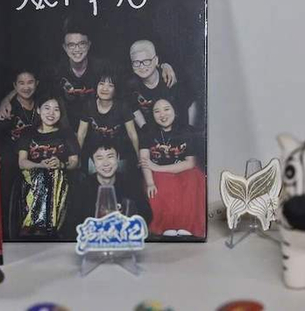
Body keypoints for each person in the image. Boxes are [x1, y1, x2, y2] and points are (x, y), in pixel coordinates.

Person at [0, 21, 177, 132]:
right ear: (64, 48)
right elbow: (32, 85)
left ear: (89, 45)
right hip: (66, 131)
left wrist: (162, 65)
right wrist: (7, 98)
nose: (77, 49)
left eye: (81, 44)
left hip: (98, 131)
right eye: (71, 45)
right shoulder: (56, 70)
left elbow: (136, 67)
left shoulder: (102, 66)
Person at [139, 98, 205, 237]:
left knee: (193, 176)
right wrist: (150, 183)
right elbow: (145, 161)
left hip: (181, 171)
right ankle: (167, 226)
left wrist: (157, 167)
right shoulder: (147, 132)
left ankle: (187, 226)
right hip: (158, 175)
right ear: (152, 114)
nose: (162, 114)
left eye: (167, 109)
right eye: (157, 111)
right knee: (163, 182)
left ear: (175, 111)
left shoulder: (186, 130)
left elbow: (190, 163)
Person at [16, 95, 80, 237]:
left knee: (53, 173)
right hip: (31, 177)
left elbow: (74, 162)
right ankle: (39, 226)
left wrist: (61, 164)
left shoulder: (66, 133)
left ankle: (41, 227)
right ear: (38, 110)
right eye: (47, 108)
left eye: (56, 109)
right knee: (42, 174)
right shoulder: (28, 132)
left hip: (60, 177)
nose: (51, 113)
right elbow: (22, 162)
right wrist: (39, 165)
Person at [70, 141, 152, 227]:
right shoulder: (83, 187)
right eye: (99, 158)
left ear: (118, 158)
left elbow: (146, 215)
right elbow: (74, 222)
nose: (106, 163)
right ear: (93, 162)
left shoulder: (130, 184)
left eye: (110, 156)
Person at [0, 69, 40, 226]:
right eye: (21, 83)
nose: (26, 87)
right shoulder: (8, 108)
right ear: (15, 86)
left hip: (35, 154)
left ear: (37, 83)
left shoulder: (41, 104)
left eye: (30, 82)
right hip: (12, 157)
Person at [77, 69, 140, 175]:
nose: (105, 89)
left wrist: (138, 156)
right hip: (94, 151)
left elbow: (132, 133)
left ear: (115, 89)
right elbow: (81, 134)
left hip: (118, 151)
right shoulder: (88, 105)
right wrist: (77, 156)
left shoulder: (122, 106)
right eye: (101, 84)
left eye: (110, 85)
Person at [127, 40, 194, 128]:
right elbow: (133, 109)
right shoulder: (131, 85)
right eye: (136, 62)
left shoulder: (170, 77)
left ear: (156, 60)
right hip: (153, 132)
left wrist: (189, 130)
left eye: (146, 61)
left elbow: (190, 105)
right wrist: (145, 128)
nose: (141, 66)